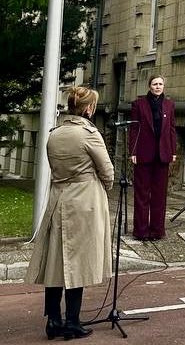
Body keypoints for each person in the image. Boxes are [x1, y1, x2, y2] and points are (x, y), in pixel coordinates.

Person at [26, 86, 113, 340]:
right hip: (84, 201)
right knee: (79, 262)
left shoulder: (55, 134)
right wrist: (102, 187)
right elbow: (107, 171)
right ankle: (72, 321)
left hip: (58, 198)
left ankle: (53, 319)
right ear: (88, 108)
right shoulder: (89, 133)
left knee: (54, 263)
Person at [129, 74, 177, 241]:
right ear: (149, 86)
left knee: (159, 195)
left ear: (164, 86)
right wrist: (133, 152)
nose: (158, 87)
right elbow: (134, 129)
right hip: (143, 153)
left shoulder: (169, 105)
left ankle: (157, 230)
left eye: (160, 84)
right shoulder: (139, 104)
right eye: (155, 84)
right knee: (142, 194)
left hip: (162, 154)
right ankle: (141, 231)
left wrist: (173, 151)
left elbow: (171, 129)